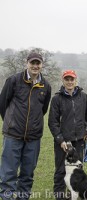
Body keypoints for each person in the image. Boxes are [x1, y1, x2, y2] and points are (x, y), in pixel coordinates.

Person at [0, 52, 51, 200]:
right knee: (8, 173)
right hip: (13, 135)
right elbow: (3, 103)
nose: (35, 66)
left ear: (42, 65)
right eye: (32, 63)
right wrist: (11, 121)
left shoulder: (46, 85)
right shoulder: (14, 80)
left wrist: (33, 124)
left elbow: (43, 109)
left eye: (38, 63)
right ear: (26, 63)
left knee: (27, 174)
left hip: (33, 137)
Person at [48, 70, 87, 200]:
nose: (69, 82)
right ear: (63, 81)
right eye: (67, 79)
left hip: (79, 140)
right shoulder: (57, 99)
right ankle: (60, 196)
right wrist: (60, 140)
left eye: (71, 79)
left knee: (77, 171)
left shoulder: (83, 97)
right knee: (61, 170)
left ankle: (74, 195)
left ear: (75, 80)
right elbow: (53, 122)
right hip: (63, 142)